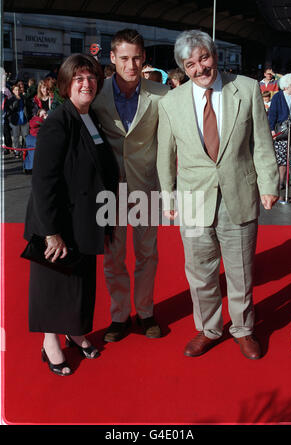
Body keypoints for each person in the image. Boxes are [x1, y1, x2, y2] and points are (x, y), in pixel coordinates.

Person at [157, 30, 279, 360]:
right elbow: (165, 155)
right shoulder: (170, 103)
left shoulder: (247, 88)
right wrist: (167, 196)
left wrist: (269, 184)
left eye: (204, 58)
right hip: (193, 199)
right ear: (183, 67)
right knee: (200, 271)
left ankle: (243, 329)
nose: (199, 68)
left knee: (240, 270)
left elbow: (261, 143)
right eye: (191, 63)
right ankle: (209, 328)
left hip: (238, 193)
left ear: (215, 55)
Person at [23, 53, 119, 376]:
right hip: (58, 221)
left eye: (90, 78)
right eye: (78, 78)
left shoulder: (90, 118)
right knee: (54, 284)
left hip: (85, 220)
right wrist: (51, 231)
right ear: (65, 84)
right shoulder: (58, 121)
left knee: (79, 284)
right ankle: (50, 342)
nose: (86, 83)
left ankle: (75, 331)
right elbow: (43, 180)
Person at [92, 28, 169, 342]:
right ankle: (119, 315)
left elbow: (169, 143)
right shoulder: (95, 93)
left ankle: (146, 311)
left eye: (137, 58)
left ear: (144, 58)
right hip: (109, 189)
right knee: (113, 256)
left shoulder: (162, 94)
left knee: (147, 253)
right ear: (112, 58)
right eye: (124, 58)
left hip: (146, 186)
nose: (131, 64)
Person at [268, 73, 291, 189]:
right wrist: (271, 130)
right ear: (286, 86)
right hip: (283, 132)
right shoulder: (278, 97)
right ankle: (281, 181)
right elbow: (272, 115)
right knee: (282, 159)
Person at [6, 84, 29, 158]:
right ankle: (17, 151)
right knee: (16, 137)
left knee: (25, 136)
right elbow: (11, 108)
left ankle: (24, 150)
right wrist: (16, 100)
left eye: (18, 89)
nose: (17, 91)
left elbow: (27, 106)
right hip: (15, 121)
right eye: (16, 90)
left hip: (24, 120)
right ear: (13, 91)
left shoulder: (23, 98)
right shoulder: (11, 99)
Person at [24, 108, 47, 174]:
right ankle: (30, 167)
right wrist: (43, 119)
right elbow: (33, 124)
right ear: (38, 114)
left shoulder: (48, 119)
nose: (44, 115)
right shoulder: (35, 119)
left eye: (45, 113)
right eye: (42, 113)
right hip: (34, 138)